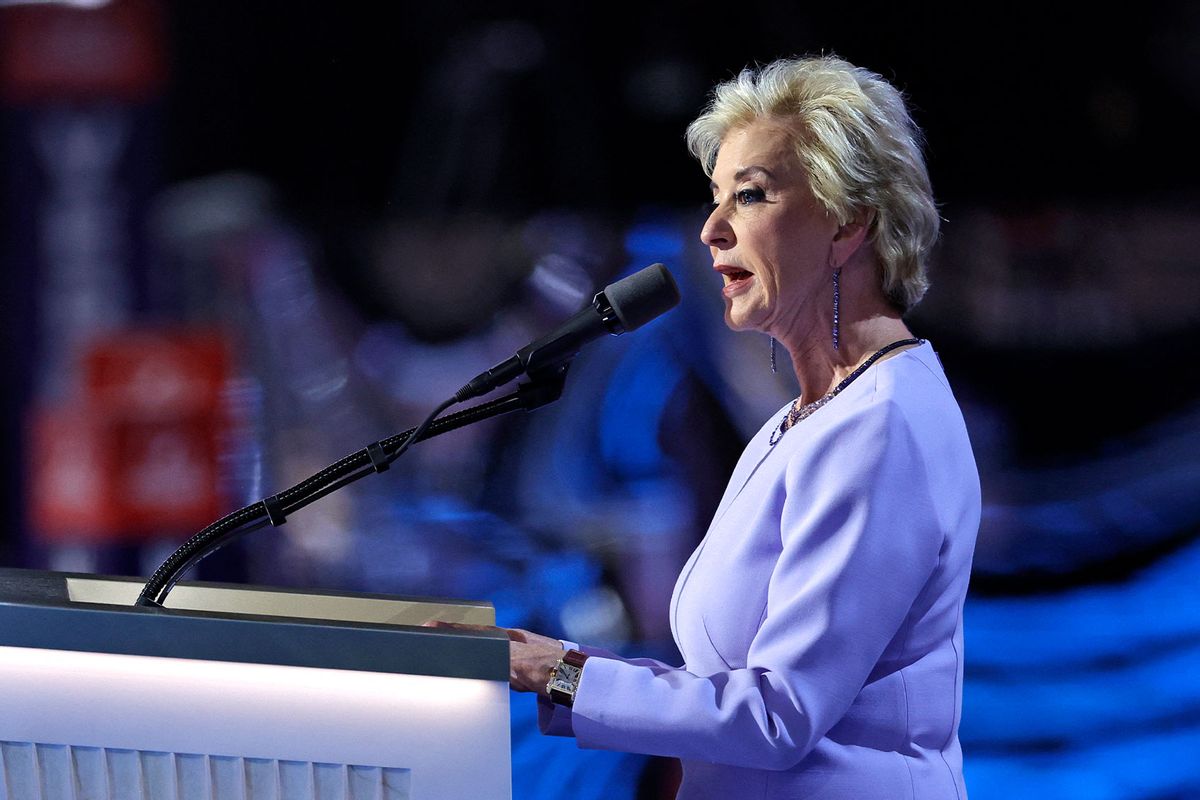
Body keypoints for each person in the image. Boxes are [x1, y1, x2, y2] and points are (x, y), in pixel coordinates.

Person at [437, 54, 980, 799]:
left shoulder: (879, 426)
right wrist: (558, 660)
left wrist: (561, 675)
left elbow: (777, 716)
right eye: (715, 198)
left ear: (849, 221)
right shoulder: (803, 419)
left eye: (750, 196)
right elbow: (726, 685)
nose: (711, 230)